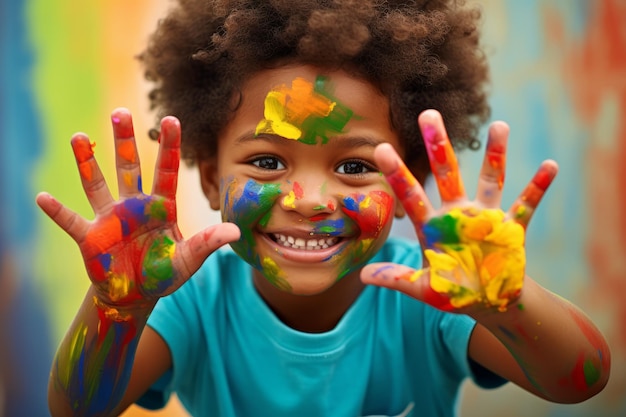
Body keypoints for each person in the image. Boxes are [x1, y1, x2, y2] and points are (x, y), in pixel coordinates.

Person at [37, 1, 611, 416]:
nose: (308, 201)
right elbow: (76, 409)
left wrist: (507, 306)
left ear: (406, 184)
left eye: (355, 168)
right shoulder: (189, 306)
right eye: (267, 163)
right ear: (211, 180)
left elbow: (580, 381)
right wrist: (118, 309)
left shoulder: (435, 294)